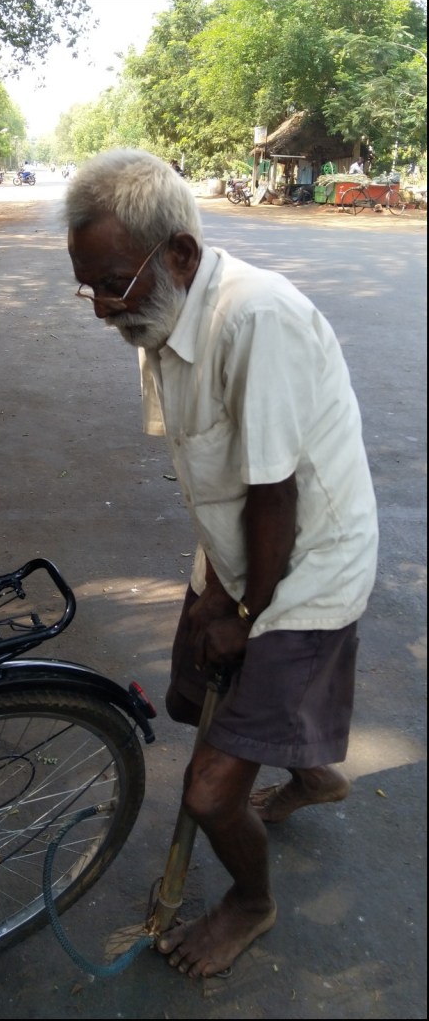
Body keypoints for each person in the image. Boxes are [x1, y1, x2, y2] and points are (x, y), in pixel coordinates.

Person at [65, 149, 378, 978]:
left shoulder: (254, 319)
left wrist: (242, 615)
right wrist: (213, 590)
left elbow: (275, 495)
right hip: (239, 552)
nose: (99, 308)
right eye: (87, 286)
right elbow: (220, 475)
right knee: (194, 693)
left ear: (180, 255)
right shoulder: (160, 317)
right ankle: (312, 774)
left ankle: (252, 902)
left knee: (209, 792)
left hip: (306, 566)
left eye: (112, 283)